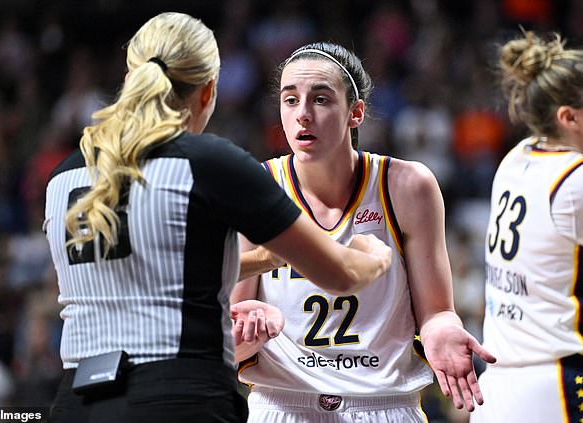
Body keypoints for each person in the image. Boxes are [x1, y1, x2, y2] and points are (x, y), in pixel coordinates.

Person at [43, 13, 392, 423]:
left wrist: (268, 258)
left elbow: (152, 271)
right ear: (208, 91)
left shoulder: (62, 176)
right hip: (179, 399)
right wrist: (374, 250)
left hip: (77, 403)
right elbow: (343, 274)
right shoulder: (208, 163)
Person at [231, 42, 496, 423]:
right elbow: (230, 342)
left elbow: (437, 311)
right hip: (281, 404)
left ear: (355, 113)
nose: (302, 114)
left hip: (384, 405)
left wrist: (442, 330)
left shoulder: (408, 186)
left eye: (320, 99)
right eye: (290, 101)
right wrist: (244, 333)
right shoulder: (256, 185)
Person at [470, 31, 583, 423]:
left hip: (499, 386)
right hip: (555, 386)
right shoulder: (575, 181)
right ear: (568, 118)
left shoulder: (517, 156)